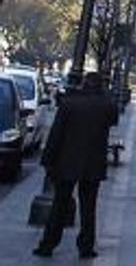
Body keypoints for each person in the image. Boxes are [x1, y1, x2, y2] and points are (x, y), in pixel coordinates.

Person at [33, 72, 118, 259]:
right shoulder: (106, 104)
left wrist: (48, 159)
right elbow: (114, 120)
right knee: (89, 207)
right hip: (93, 163)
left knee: (59, 205)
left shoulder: (71, 102)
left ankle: (48, 244)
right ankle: (86, 247)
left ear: (83, 84)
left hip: (67, 161)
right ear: (101, 85)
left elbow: (57, 133)